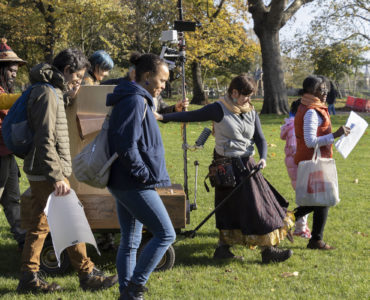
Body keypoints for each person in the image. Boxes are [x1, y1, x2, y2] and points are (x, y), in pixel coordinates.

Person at [157, 74, 294, 264]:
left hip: (248, 166)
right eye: (245, 95)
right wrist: (163, 116)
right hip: (226, 167)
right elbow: (192, 115)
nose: (248, 99)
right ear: (234, 92)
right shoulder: (218, 108)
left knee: (260, 205)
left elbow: (260, 138)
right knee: (229, 209)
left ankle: (266, 249)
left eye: (250, 95)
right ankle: (228, 249)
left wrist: (263, 158)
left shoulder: (251, 111)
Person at [17, 48, 118, 293]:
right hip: (47, 172)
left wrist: (68, 95)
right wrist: (57, 176)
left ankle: (30, 278)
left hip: (43, 170)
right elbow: (45, 139)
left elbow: (52, 121)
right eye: (77, 77)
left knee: (41, 225)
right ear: (66, 70)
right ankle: (87, 274)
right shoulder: (46, 93)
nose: (79, 81)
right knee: (71, 220)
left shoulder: (50, 91)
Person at [106, 52, 176, 300]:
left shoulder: (136, 98)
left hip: (125, 181)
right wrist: (144, 174)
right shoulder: (134, 101)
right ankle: (135, 288)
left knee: (131, 240)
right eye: (162, 80)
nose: (164, 86)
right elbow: (125, 144)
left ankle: (127, 293)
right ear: (147, 77)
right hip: (133, 183)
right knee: (166, 234)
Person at [293, 75, 350, 250]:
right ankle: (285, 219)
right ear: (311, 91)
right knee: (322, 198)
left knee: (320, 199)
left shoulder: (313, 107)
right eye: (321, 89)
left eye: (326, 89)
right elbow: (311, 141)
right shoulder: (311, 111)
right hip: (313, 161)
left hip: (314, 160)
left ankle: (315, 239)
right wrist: (335, 135)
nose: (325, 92)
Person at [0, 38, 27, 250]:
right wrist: (32, 96)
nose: (14, 74)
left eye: (16, 70)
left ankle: (23, 240)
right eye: (10, 70)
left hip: (6, 154)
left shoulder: (6, 93)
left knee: (13, 199)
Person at [280, 99, 311, 239]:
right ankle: (299, 227)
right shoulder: (294, 126)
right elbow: (294, 148)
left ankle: (301, 225)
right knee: (305, 198)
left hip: (297, 165)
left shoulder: (294, 125)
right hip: (299, 166)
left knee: (305, 196)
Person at [101, 65, 188, 114]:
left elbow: (160, 110)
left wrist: (175, 109)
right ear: (133, 73)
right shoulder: (114, 86)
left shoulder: (151, 90)